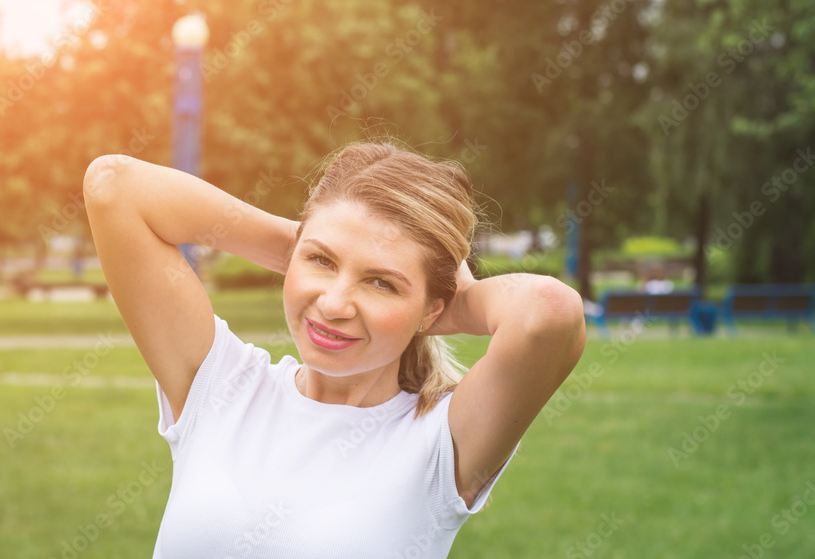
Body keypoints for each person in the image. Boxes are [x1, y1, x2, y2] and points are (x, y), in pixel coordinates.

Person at [83, 139, 586, 557]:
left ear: (432, 309)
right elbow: (114, 187)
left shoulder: (438, 444)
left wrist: (453, 305)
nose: (335, 303)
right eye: (322, 262)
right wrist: (301, 244)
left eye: (381, 284)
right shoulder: (221, 387)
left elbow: (549, 312)